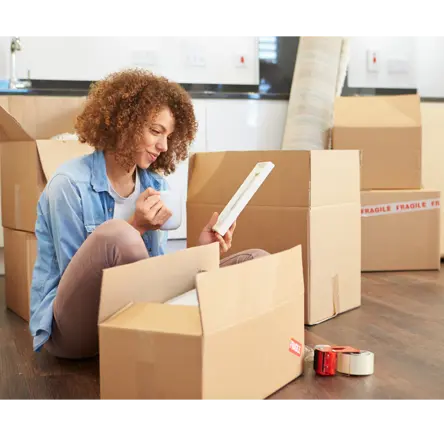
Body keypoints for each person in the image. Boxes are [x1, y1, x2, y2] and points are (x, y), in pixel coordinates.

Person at [29, 68, 269, 361]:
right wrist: (135, 228)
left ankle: (201, 336)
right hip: (75, 331)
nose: (164, 146)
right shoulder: (68, 185)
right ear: (122, 124)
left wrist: (203, 250)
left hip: (134, 318)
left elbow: (155, 277)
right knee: (118, 235)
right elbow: (76, 281)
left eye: (168, 136)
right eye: (155, 131)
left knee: (255, 260)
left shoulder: (156, 186)